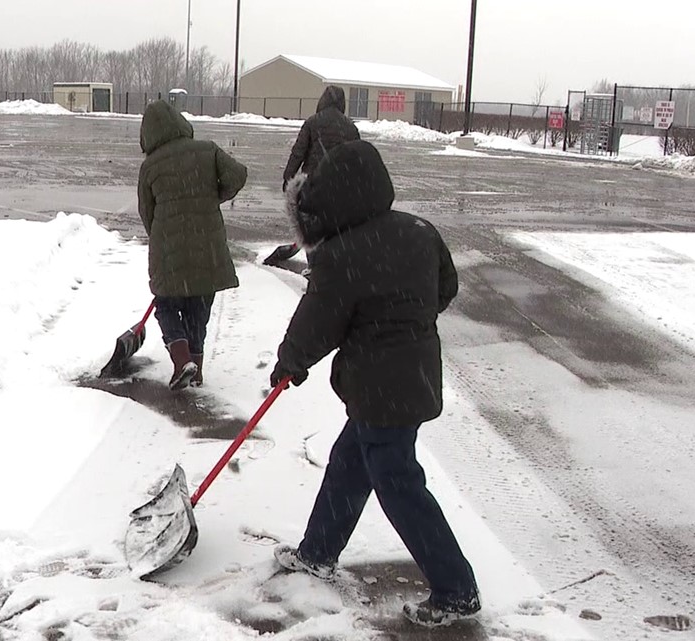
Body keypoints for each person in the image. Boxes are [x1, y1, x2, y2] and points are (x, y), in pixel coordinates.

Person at [268, 140, 481, 628]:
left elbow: (317, 322)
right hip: (411, 376)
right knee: (350, 462)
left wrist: (289, 363)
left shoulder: (341, 254)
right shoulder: (419, 231)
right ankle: (318, 551)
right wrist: (403, 320)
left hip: (381, 386)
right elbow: (444, 289)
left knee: (397, 482)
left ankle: (456, 588)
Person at [137, 100, 248, 390]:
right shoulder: (207, 150)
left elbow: (146, 213)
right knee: (198, 306)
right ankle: (195, 368)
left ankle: (181, 358)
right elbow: (238, 175)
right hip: (207, 245)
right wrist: (212, 197)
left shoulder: (150, 166)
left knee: (166, 304)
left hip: (169, 250)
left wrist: (161, 236)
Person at [263, 85, 361, 267]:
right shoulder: (350, 128)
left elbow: (298, 153)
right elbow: (356, 157)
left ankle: (314, 264)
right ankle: (333, 261)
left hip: (314, 182)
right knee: (335, 225)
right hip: (340, 183)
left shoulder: (312, 122)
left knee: (312, 225)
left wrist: (288, 177)